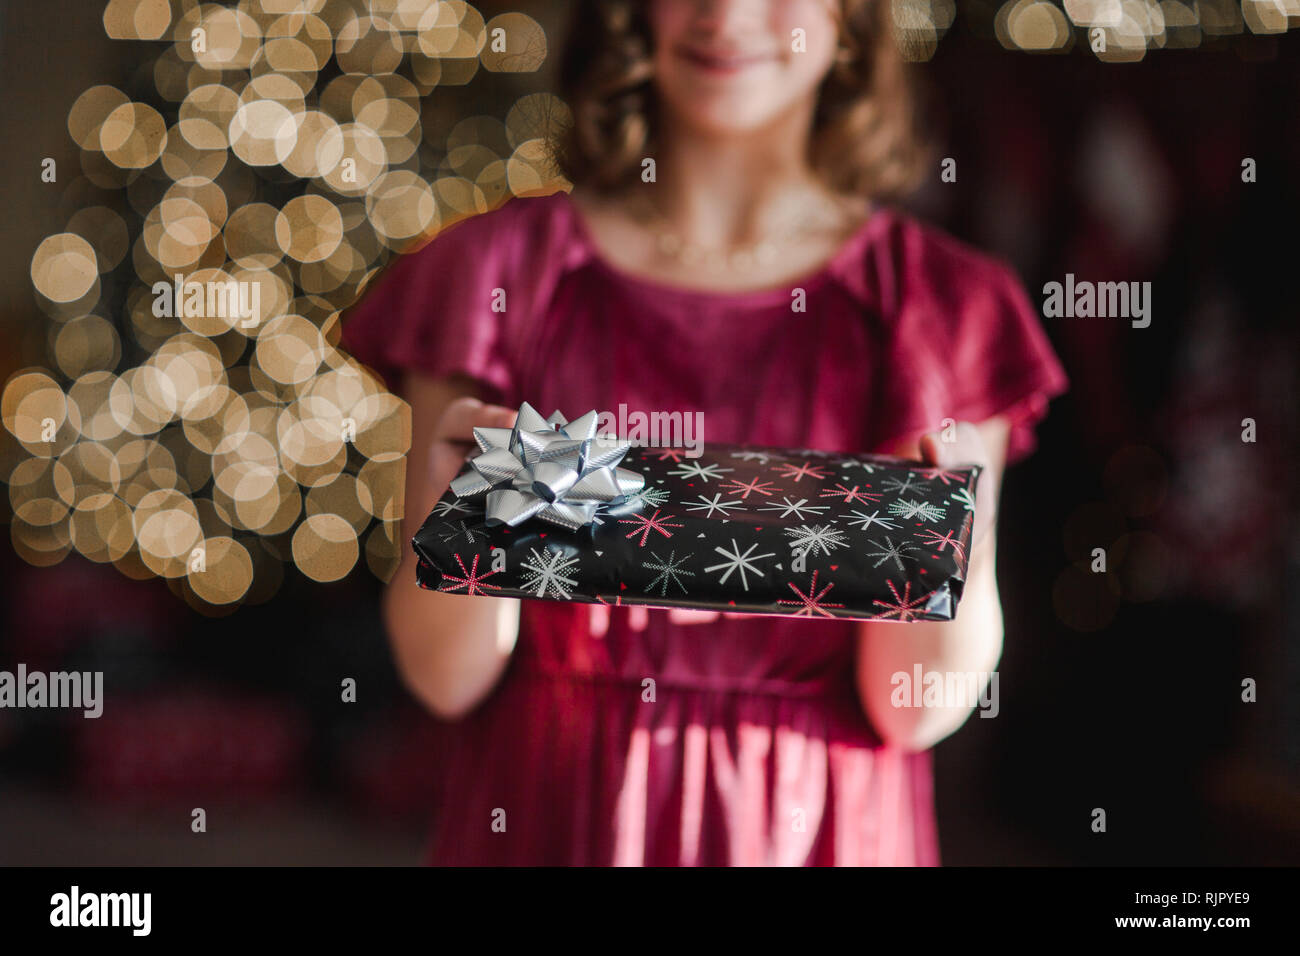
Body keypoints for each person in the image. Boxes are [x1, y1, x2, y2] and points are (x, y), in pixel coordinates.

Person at [340, 0, 1067, 865]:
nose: (726, 13)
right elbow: (443, 677)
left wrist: (956, 553)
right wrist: (465, 527)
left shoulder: (945, 309)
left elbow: (915, 708)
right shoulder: (491, 277)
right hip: (551, 816)